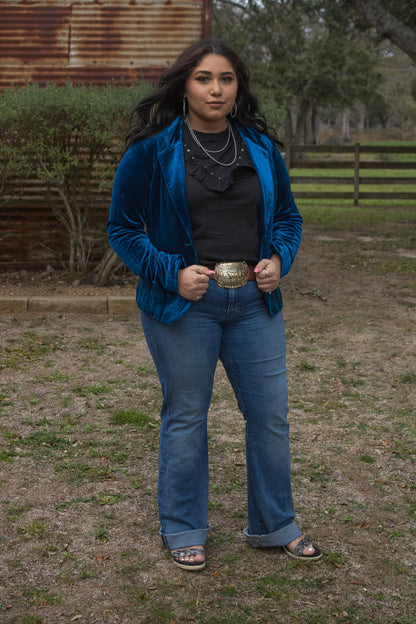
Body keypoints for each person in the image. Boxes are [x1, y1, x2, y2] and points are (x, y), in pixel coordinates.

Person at [107, 38, 322, 572]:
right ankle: (183, 526)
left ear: (237, 87)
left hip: (255, 304)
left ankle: (274, 525)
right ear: (185, 85)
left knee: (270, 417)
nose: (216, 89)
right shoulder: (152, 151)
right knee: (186, 417)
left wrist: (280, 258)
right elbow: (122, 228)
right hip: (185, 306)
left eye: (226, 79)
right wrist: (170, 273)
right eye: (204, 78)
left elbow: (289, 219)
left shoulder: (260, 148)